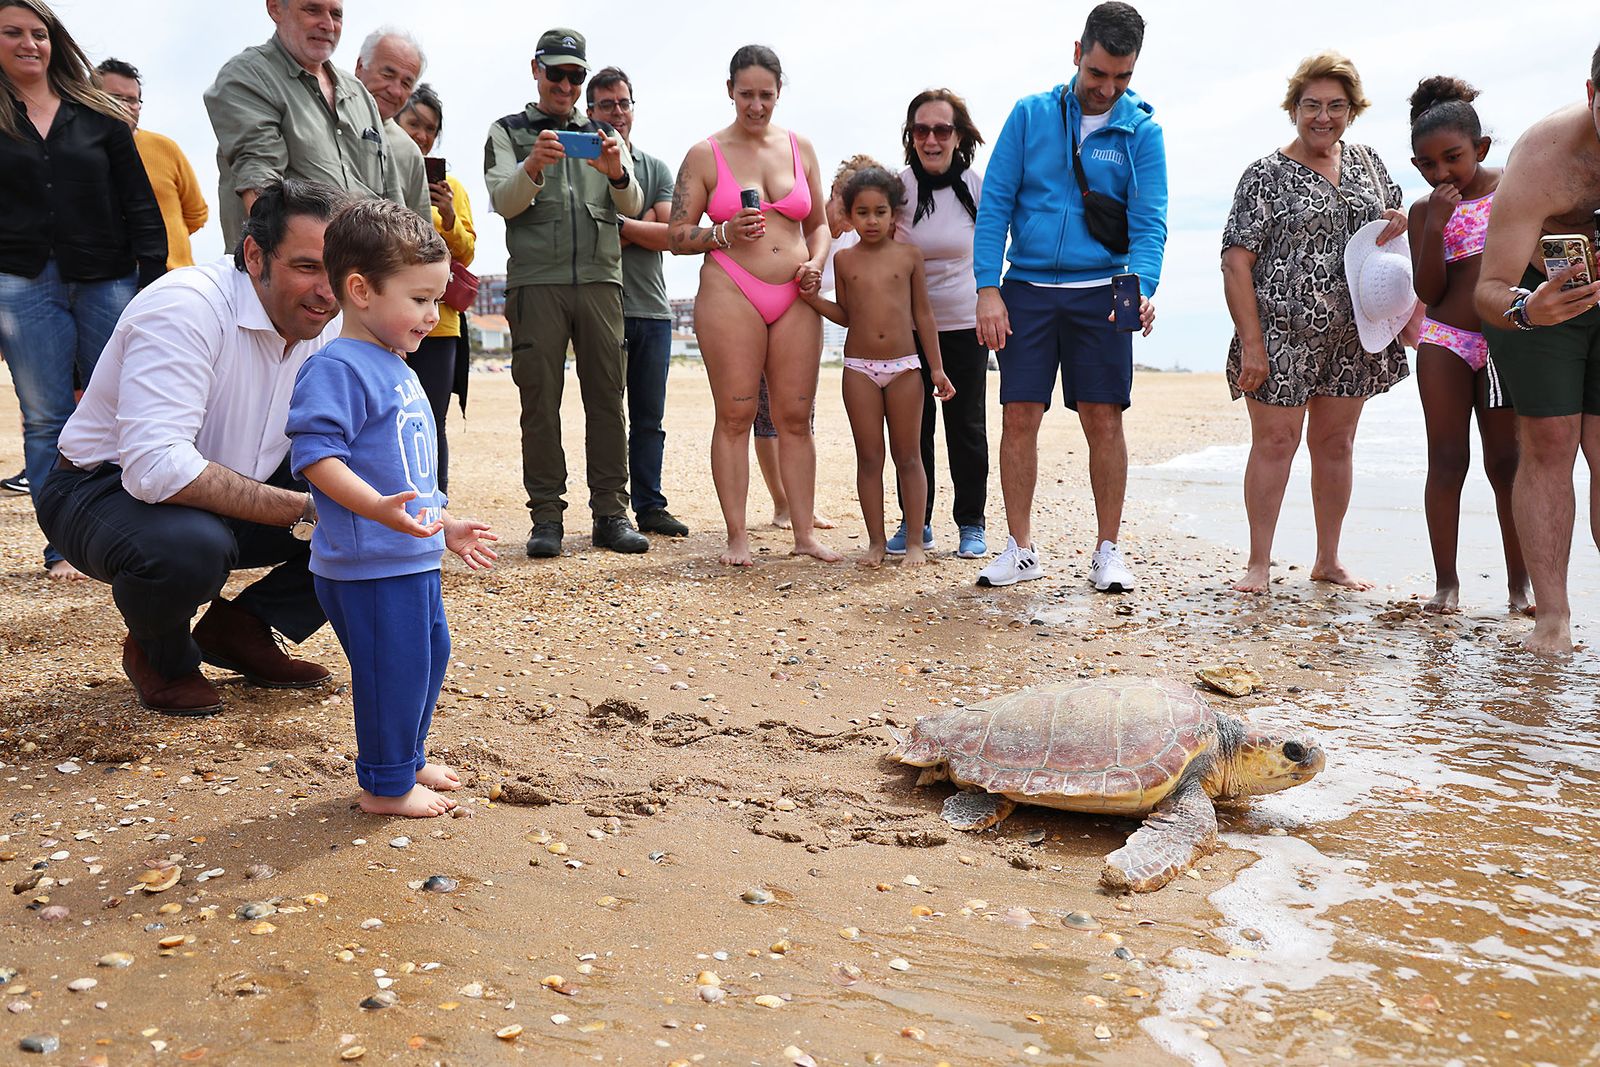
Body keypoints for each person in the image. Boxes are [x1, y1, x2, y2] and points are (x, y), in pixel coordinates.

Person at [39, 179, 348, 716]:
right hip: (99, 489)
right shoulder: (186, 306)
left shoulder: (333, 320)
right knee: (189, 548)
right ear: (254, 255)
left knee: (391, 505)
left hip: (230, 485)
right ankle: (162, 657)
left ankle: (242, 629)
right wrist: (309, 508)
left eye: (339, 269)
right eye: (307, 267)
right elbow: (156, 468)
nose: (328, 290)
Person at [287, 198, 497, 818]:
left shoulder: (395, 363)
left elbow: (404, 466)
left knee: (429, 655)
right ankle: (384, 784)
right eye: (420, 299)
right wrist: (377, 508)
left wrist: (446, 521)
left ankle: (407, 755)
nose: (433, 315)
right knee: (392, 672)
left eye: (437, 300)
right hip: (368, 562)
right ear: (360, 290)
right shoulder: (337, 367)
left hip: (411, 551)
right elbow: (316, 456)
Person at [972, 2, 1166, 591]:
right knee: (1019, 415)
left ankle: (1108, 551)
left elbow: (1150, 222)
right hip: (1026, 289)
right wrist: (987, 289)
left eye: (1122, 77)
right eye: (1098, 74)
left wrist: (1141, 287)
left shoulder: (1143, 131)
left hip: (1103, 292)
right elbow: (996, 206)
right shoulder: (1029, 115)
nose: (1107, 89)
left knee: (1104, 419)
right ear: (1077, 54)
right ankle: (1020, 548)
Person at [1221, 50, 1408, 595]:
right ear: (1293, 108)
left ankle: (1328, 559)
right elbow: (1236, 261)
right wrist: (1252, 345)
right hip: (1280, 335)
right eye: (1311, 105)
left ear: (1353, 110)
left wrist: (1397, 219)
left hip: (1355, 334)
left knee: (1337, 446)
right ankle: (1259, 564)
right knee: (1275, 445)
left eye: (1336, 106)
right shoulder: (1264, 174)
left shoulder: (1369, 163)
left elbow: (1392, 231)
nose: (1323, 117)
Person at [0, 0, 166, 580]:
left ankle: (129, 535)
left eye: (38, 33)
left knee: (125, 409)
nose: (29, 43)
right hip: (21, 283)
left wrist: (153, 283)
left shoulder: (97, 115)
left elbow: (140, 204)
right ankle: (63, 547)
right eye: (13, 33)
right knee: (46, 417)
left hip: (108, 279)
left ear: (55, 41)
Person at [669, 44, 839, 566]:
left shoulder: (801, 147)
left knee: (794, 417)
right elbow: (677, 234)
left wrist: (817, 261)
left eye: (766, 95)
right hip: (731, 289)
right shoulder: (704, 154)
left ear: (779, 93)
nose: (757, 105)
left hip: (796, 291)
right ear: (730, 91)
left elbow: (820, 225)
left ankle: (804, 534)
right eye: (747, 94)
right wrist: (720, 232)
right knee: (736, 415)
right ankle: (737, 537)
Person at [484, 27, 648, 558]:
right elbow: (503, 201)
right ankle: (547, 519)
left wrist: (616, 172)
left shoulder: (603, 133)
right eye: (556, 73)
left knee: (607, 399)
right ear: (536, 69)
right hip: (537, 283)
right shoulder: (507, 131)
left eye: (575, 75)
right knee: (540, 403)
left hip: (600, 281)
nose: (566, 84)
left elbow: (634, 205)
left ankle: (610, 515)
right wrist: (533, 164)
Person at [1473, 43, 1600, 655]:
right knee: (1550, 444)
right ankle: (1552, 618)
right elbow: (1487, 290)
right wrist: (1529, 308)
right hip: (1535, 293)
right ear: (1591, 94)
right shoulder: (1545, 159)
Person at [1405, 76, 1528, 616]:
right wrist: (1435, 225)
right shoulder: (1422, 211)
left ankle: (1520, 586)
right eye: (1427, 165)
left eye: (1453, 158)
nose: (1442, 173)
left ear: (1480, 149)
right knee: (1447, 459)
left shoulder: (1514, 189)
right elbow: (1429, 292)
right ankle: (1447, 583)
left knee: (1507, 463)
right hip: (1446, 341)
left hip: (1503, 339)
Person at [801, 168, 954, 567]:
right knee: (869, 457)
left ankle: (916, 542)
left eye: (880, 212)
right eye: (863, 213)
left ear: (894, 215)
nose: (872, 221)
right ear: (849, 216)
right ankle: (876, 542)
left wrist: (935, 369)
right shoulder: (845, 259)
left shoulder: (909, 256)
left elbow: (924, 314)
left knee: (909, 456)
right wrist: (814, 300)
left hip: (906, 367)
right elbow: (847, 314)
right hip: (859, 369)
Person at [204, 0, 404, 246]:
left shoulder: (360, 95)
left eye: (336, 14)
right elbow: (260, 189)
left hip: (364, 270)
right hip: (296, 270)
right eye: (312, 9)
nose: (328, 25)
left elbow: (393, 200)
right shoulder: (248, 76)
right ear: (275, 8)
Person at [586, 65, 689, 538]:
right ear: (590, 112)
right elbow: (588, 239)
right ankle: (612, 511)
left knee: (650, 418)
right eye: (606, 104)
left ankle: (651, 506)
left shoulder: (656, 167)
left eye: (623, 103)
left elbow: (670, 235)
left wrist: (619, 226)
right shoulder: (580, 165)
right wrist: (639, 222)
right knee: (608, 415)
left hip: (653, 310)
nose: (617, 113)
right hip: (603, 306)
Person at [751, 154, 875, 532]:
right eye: (848, 202)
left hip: (805, 320)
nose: (853, 213)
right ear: (834, 191)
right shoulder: (803, 220)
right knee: (764, 414)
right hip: (764, 314)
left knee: (802, 417)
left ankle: (802, 503)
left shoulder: (856, 240)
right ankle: (781, 504)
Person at [894, 88, 989, 560]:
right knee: (913, 429)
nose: (931, 139)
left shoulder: (976, 186)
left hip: (965, 325)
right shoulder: (896, 188)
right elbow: (863, 236)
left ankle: (972, 522)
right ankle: (917, 521)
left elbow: (996, 251)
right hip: (905, 329)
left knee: (966, 427)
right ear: (911, 136)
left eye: (942, 129)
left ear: (959, 135)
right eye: (921, 129)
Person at [395, 82, 474, 492]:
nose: (422, 135)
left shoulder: (453, 189)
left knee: (431, 416)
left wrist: (446, 215)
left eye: (430, 128)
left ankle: (433, 503)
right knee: (385, 414)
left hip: (439, 322)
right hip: (386, 319)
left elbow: (466, 252)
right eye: (414, 123)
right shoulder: (382, 176)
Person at [95, 58, 209, 269]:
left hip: (171, 276)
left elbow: (196, 214)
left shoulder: (165, 147)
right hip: (106, 278)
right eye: (114, 98)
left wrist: (163, 242)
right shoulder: (80, 151)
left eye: (131, 100)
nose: (124, 106)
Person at [352, 26, 430, 221]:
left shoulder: (410, 152)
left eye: (406, 83)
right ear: (360, 67)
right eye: (387, 75)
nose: (395, 91)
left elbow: (423, 238)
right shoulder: (324, 114)